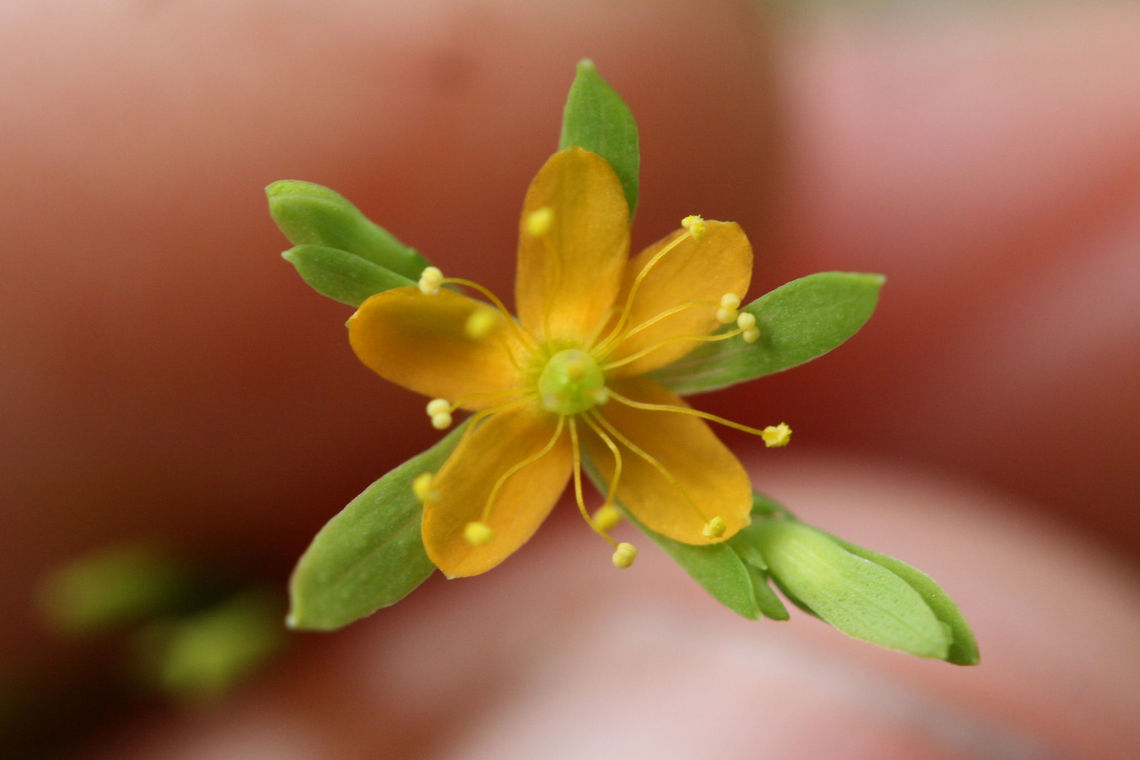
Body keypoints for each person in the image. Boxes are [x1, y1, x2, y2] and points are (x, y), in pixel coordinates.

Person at [1, 1, 1136, 757]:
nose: (579, 375)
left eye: (582, 367)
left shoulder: (650, 434)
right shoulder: (467, 372)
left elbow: (703, 498)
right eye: (569, 367)